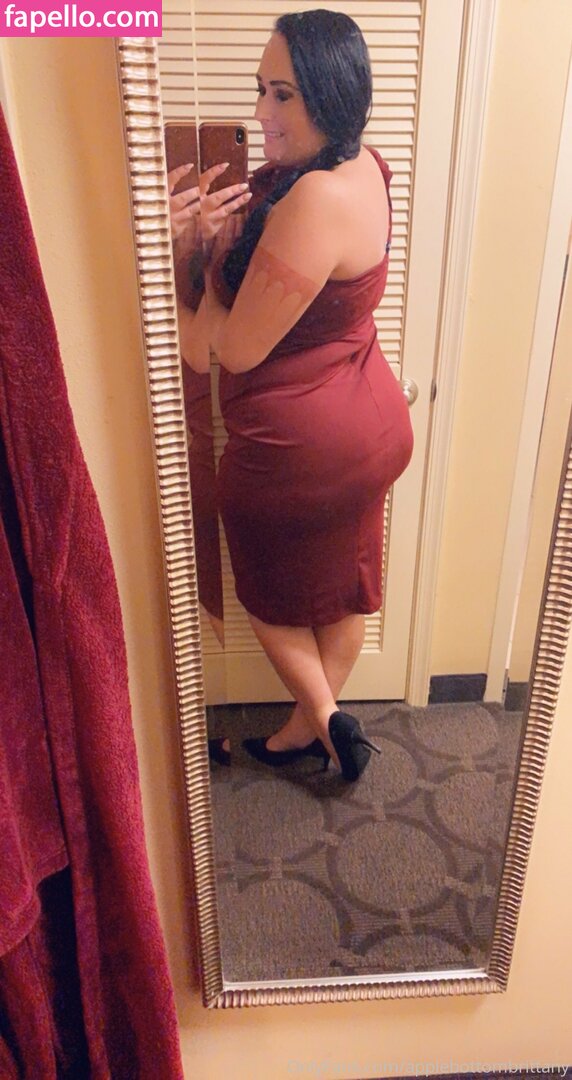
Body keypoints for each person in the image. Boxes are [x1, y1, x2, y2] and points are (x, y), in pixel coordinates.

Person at [171, 10, 414, 782]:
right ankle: (307, 731)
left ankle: (325, 721)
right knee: (344, 591)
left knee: (267, 598)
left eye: (282, 94)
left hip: (297, 453)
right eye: (260, 90)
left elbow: (219, 349)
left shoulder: (311, 201)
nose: (261, 113)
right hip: (370, 426)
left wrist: (188, 256)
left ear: (331, 95)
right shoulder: (365, 166)